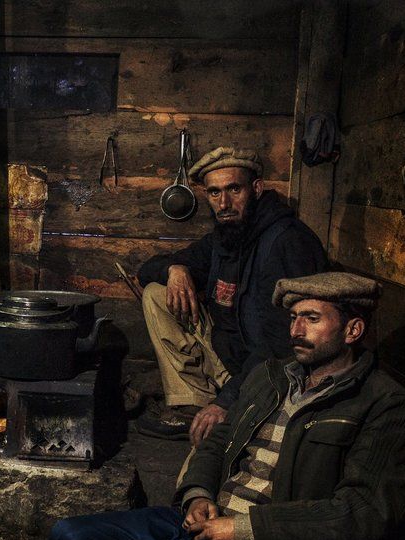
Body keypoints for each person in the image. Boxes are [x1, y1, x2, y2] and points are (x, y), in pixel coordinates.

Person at [48, 272, 405, 540]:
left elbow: (364, 512)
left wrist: (243, 529)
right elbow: (218, 440)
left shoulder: (386, 403)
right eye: (293, 318)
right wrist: (198, 495)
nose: (295, 330)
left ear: (352, 331)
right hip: (211, 521)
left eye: (312, 318)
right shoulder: (271, 377)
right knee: (70, 537)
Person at [136, 147, 326, 444]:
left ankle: (219, 408)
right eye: (214, 193)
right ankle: (193, 403)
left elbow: (283, 347)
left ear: (257, 189)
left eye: (233, 189)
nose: (224, 203)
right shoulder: (225, 237)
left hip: (269, 374)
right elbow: (147, 269)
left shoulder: (285, 242)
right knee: (157, 293)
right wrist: (175, 269)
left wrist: (227, 401)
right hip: (229, 359)